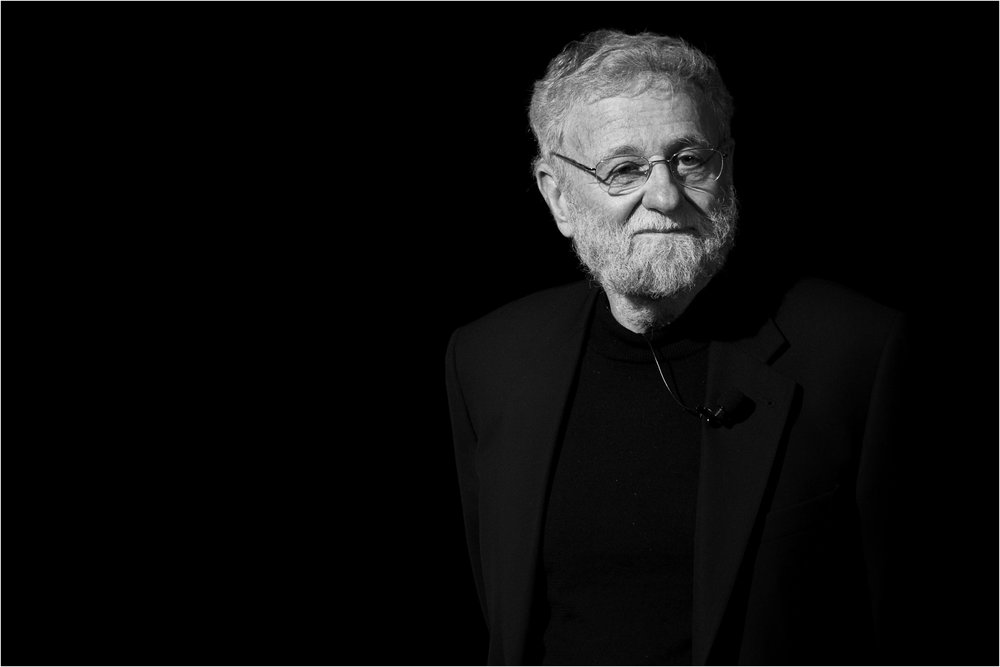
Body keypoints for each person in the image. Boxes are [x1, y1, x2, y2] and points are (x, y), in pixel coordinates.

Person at [445, 29, 909, 665]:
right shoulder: (487, 359)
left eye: (689, 159)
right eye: (624, 170)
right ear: (557, 196)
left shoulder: (857, 351)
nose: (665, 196)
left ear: (728, 165)